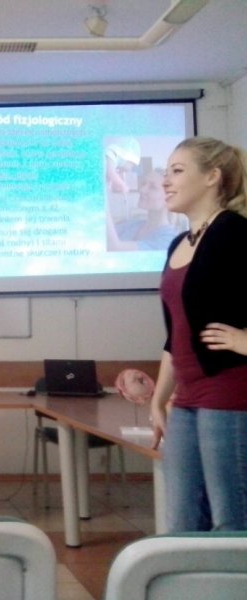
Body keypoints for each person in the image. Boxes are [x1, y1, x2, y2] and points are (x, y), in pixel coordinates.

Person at [149, 136, 247, 532]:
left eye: (177, 171)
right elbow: (177, 333)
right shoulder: (178, 243)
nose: (165, 181)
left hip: (228, 390)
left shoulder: (234, 232)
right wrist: (159, 397)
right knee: (182, 523)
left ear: (212, 177)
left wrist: (244, 340)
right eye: (166, 172)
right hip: (187, 396)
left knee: (231, 520)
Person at [106, 168, 184, 251]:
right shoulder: (132, 224)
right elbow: (101, 236)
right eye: (143, 184)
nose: (142, 190)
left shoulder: (169, 239)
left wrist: (101, 199)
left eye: (153, 187)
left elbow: (115, 248)